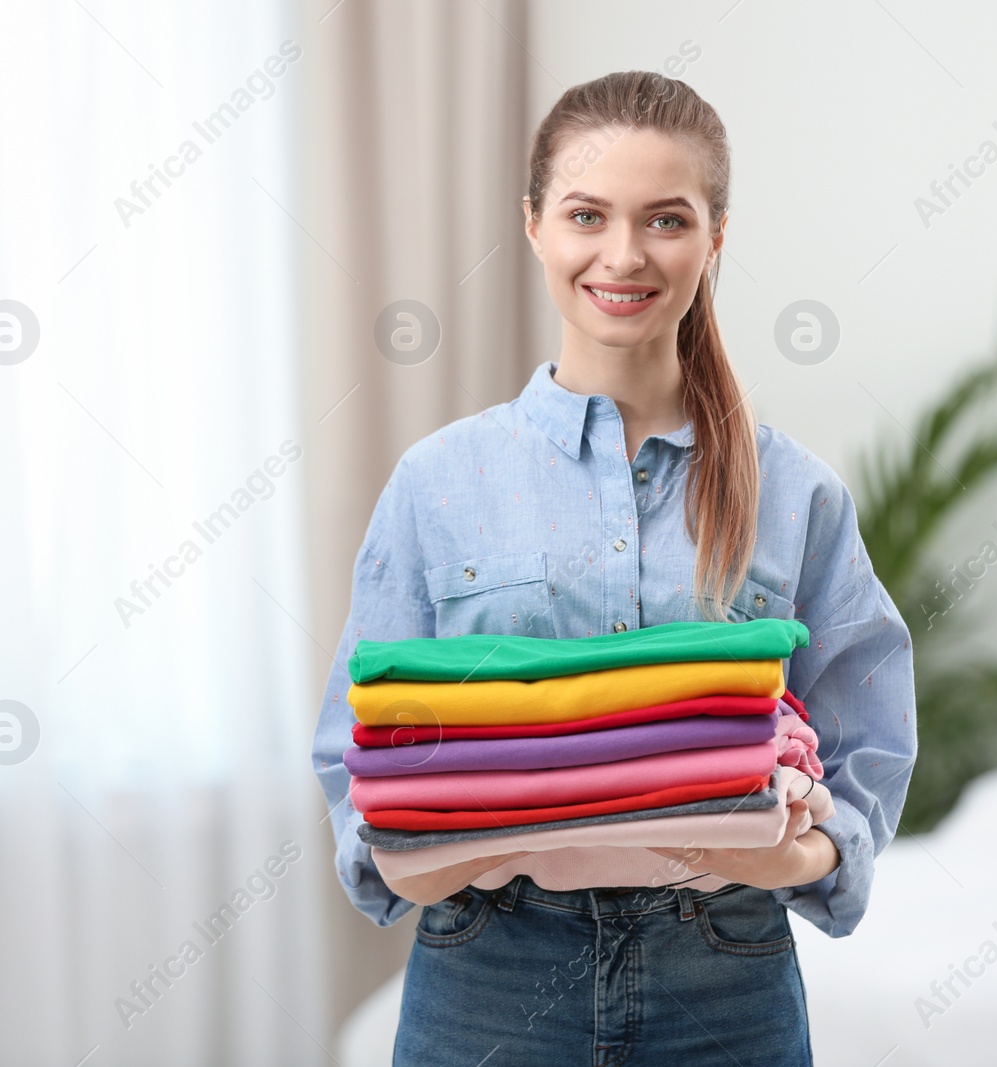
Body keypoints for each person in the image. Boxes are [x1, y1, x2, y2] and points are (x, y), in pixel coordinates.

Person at [312, 69, 918, 1066]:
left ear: (715, 234)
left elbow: (867, 740)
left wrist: (791, 848)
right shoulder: (437, 482)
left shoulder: (794, 492)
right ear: (535, 224)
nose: (622, 254)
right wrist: (435, 846)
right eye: (586, 214)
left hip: (724, 973)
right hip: (484, 971)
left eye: (665, 219)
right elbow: (358, 751)